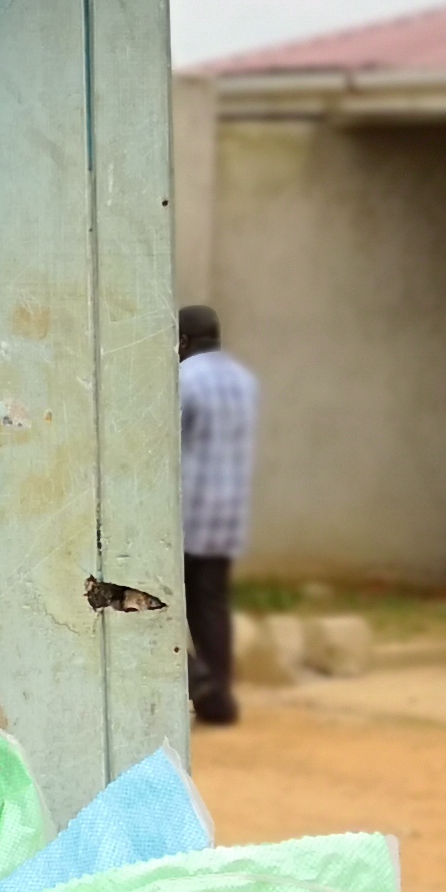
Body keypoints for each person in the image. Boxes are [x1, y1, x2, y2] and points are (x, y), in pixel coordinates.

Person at [177, 305, 260, 727]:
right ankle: (219, 698)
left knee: (165, 607)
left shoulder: (183, 379)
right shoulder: (245, 381)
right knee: (212, 606)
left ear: (183, 341)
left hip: (187, 514)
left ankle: (198, 679)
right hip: (227, 515)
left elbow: (166, 439)